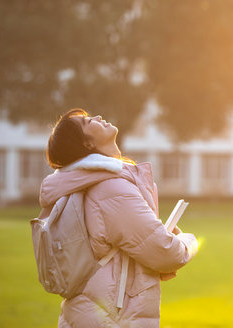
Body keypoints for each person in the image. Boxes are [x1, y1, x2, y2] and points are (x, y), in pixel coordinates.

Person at [40, 108, 198, 327]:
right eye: (87, 122)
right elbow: (166, 252)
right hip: (112, 319)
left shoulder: (92, 183)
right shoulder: (111, 188)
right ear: (87, 144)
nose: (96, 117)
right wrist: (189, 241)